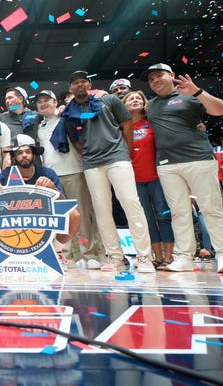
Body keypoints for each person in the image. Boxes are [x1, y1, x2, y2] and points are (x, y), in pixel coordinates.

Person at [141, 62, 223, 272]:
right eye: (151, 79)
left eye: (159, 75)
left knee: (212, 208)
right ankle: (184, 257)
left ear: (172, 75)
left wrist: (198, 91)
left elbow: (220, 110)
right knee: (178, 212)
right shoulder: (151, 105)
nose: (155, 80)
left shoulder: (191, 96)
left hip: (199, 160)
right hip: (166, 165)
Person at [62, 70, 155, 273]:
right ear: (70, 88)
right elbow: (76, 141)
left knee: (131, 205)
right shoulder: (69, 112)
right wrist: (88, 154)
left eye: (83, 81)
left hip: (118, 158)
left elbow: (127, 125)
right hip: (92, 164)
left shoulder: (110, 100)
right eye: (75, 82)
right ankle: (115, 258)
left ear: (89, 85)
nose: (79, 85)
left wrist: (125, 150)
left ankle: (145, 258)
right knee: (102, 211)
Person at [32, 90, 105, 269]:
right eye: (39, 101)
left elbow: (88, 113)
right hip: (51, 177)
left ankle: (90, 254)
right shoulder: (39, 126)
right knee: (60, 219)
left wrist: (68, 108)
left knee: (81, 216)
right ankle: (68, 255)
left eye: (47, 100)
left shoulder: (66, 117)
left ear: (55, 102)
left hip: (73, 171)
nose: (43, 104)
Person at [0, 134, 80, 247]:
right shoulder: (5, 175)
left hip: (43, 220)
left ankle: (57, 251)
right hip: (17, 223)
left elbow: (64, 203)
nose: (24, 155)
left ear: (34, 156)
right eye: (19, 152)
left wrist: (53, 188)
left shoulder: (48, 173)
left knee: (73, 214)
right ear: (13, 157)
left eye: (28, 151)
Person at [122, 90, 175, 267]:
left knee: (163, 216)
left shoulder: (152, 123)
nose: (135, 100)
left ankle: (169, 257)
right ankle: (156, 257)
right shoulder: (121, 128)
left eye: (139, 98)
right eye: (131, 98)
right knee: (147, 219)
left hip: (157, 178)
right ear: (124, 105)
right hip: (134, 180)